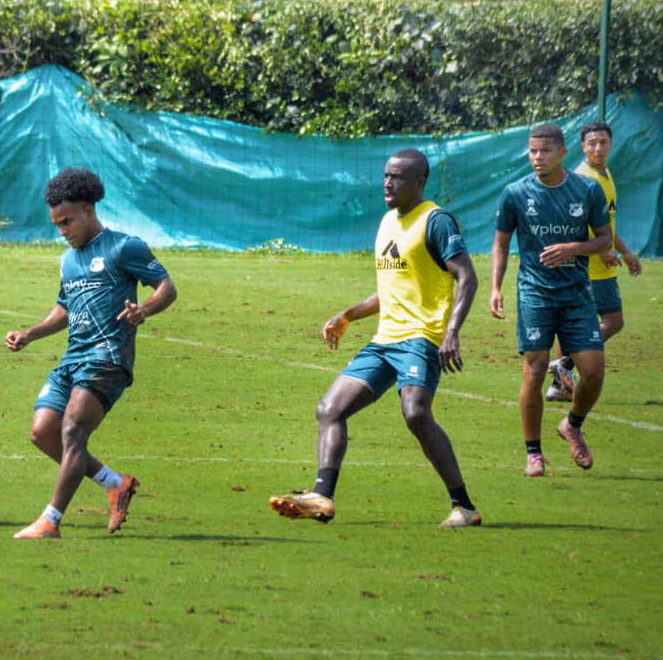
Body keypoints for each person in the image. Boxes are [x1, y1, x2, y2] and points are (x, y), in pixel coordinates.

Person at [269, 150, 482, 529]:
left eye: (398, 177)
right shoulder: (387, 222)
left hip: (421, 338)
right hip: (385, 341)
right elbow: (392, 290)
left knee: (416, 415)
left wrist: (452, 331)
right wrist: (348, 314)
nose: (388, 183)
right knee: (329, 410)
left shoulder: (436, 221)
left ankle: (464, 506)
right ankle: (322, 496)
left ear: (419, 182)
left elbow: (467, 276)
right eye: (386, 176)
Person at [5, 167, 177, 539]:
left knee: (73, 429)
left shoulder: (123, 246)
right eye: (56, 225)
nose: (63, 230)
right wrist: (30, 334)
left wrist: (143, 310)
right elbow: (64, 309)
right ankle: (115, 483)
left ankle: (50, 521)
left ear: (88, 209)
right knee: (43, 432)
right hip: (73, 358)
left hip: (108, 357)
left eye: (66, 221)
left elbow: (166, 287)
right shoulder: (68, 259)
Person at [490, 123, 613, 477]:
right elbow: (500, 242)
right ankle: (533, 453)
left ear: (562, 153)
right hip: (535, 291)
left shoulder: (587, 190)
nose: (537, 158)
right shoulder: (514, 193)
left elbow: (604, 240)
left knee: (593, 370)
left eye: (544, 151)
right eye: (532, 151)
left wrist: (574, 248)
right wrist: (495, 288)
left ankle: (572, 424)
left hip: (576, 293)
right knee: (536, 367)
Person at [545, 120, 643, 402]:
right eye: (592, 143)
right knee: (613, 321)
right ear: (582, 146)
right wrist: (602, 251)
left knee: (573, 324)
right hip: (590, 267)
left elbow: (605, 224)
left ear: (611, 144)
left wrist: (624, 251)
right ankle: (565, 364)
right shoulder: (583, 178)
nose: (598, 148)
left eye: (603, 142)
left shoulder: (606, 175)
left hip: (600, 263)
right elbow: (576, 223)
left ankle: (559, 384)